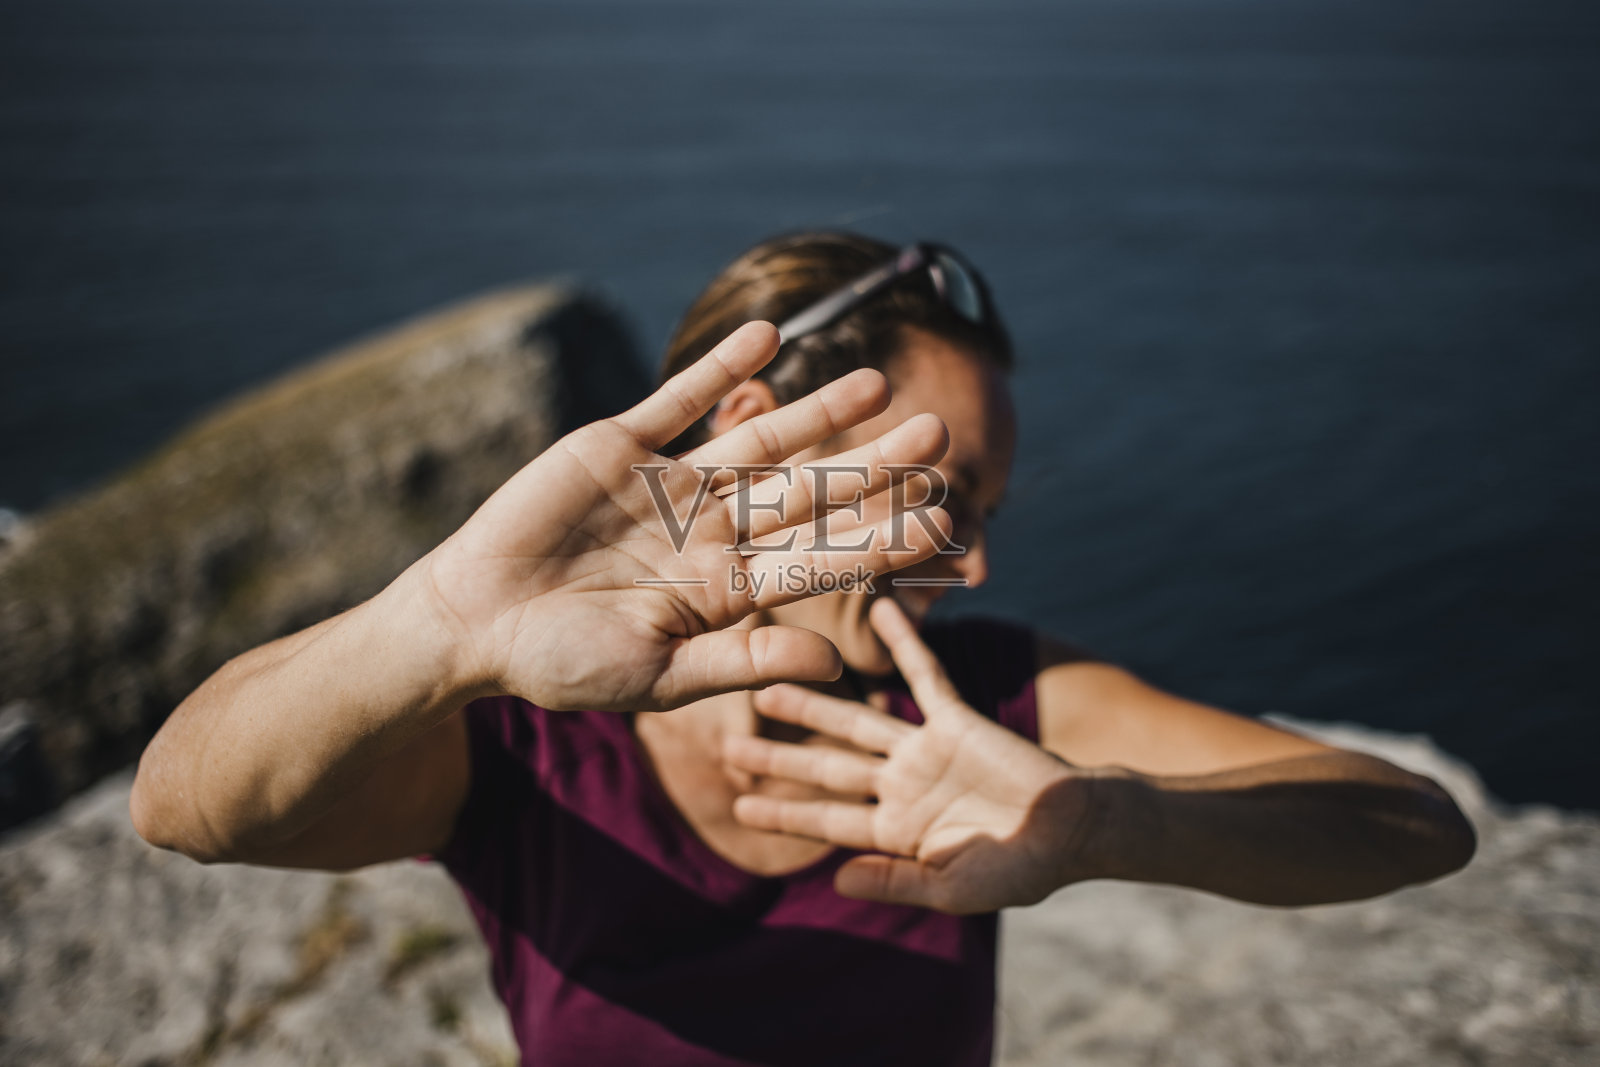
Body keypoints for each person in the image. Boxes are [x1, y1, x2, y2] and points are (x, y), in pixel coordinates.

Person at [131, 231, 1477, 1066]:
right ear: (762, 437)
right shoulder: (531, 746)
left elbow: (1411, 827)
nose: (975, 565)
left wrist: (1102, 824)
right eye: (941, 496)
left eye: (990, 514)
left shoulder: (992, 703)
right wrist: (436, 629)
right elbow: (187, 807)